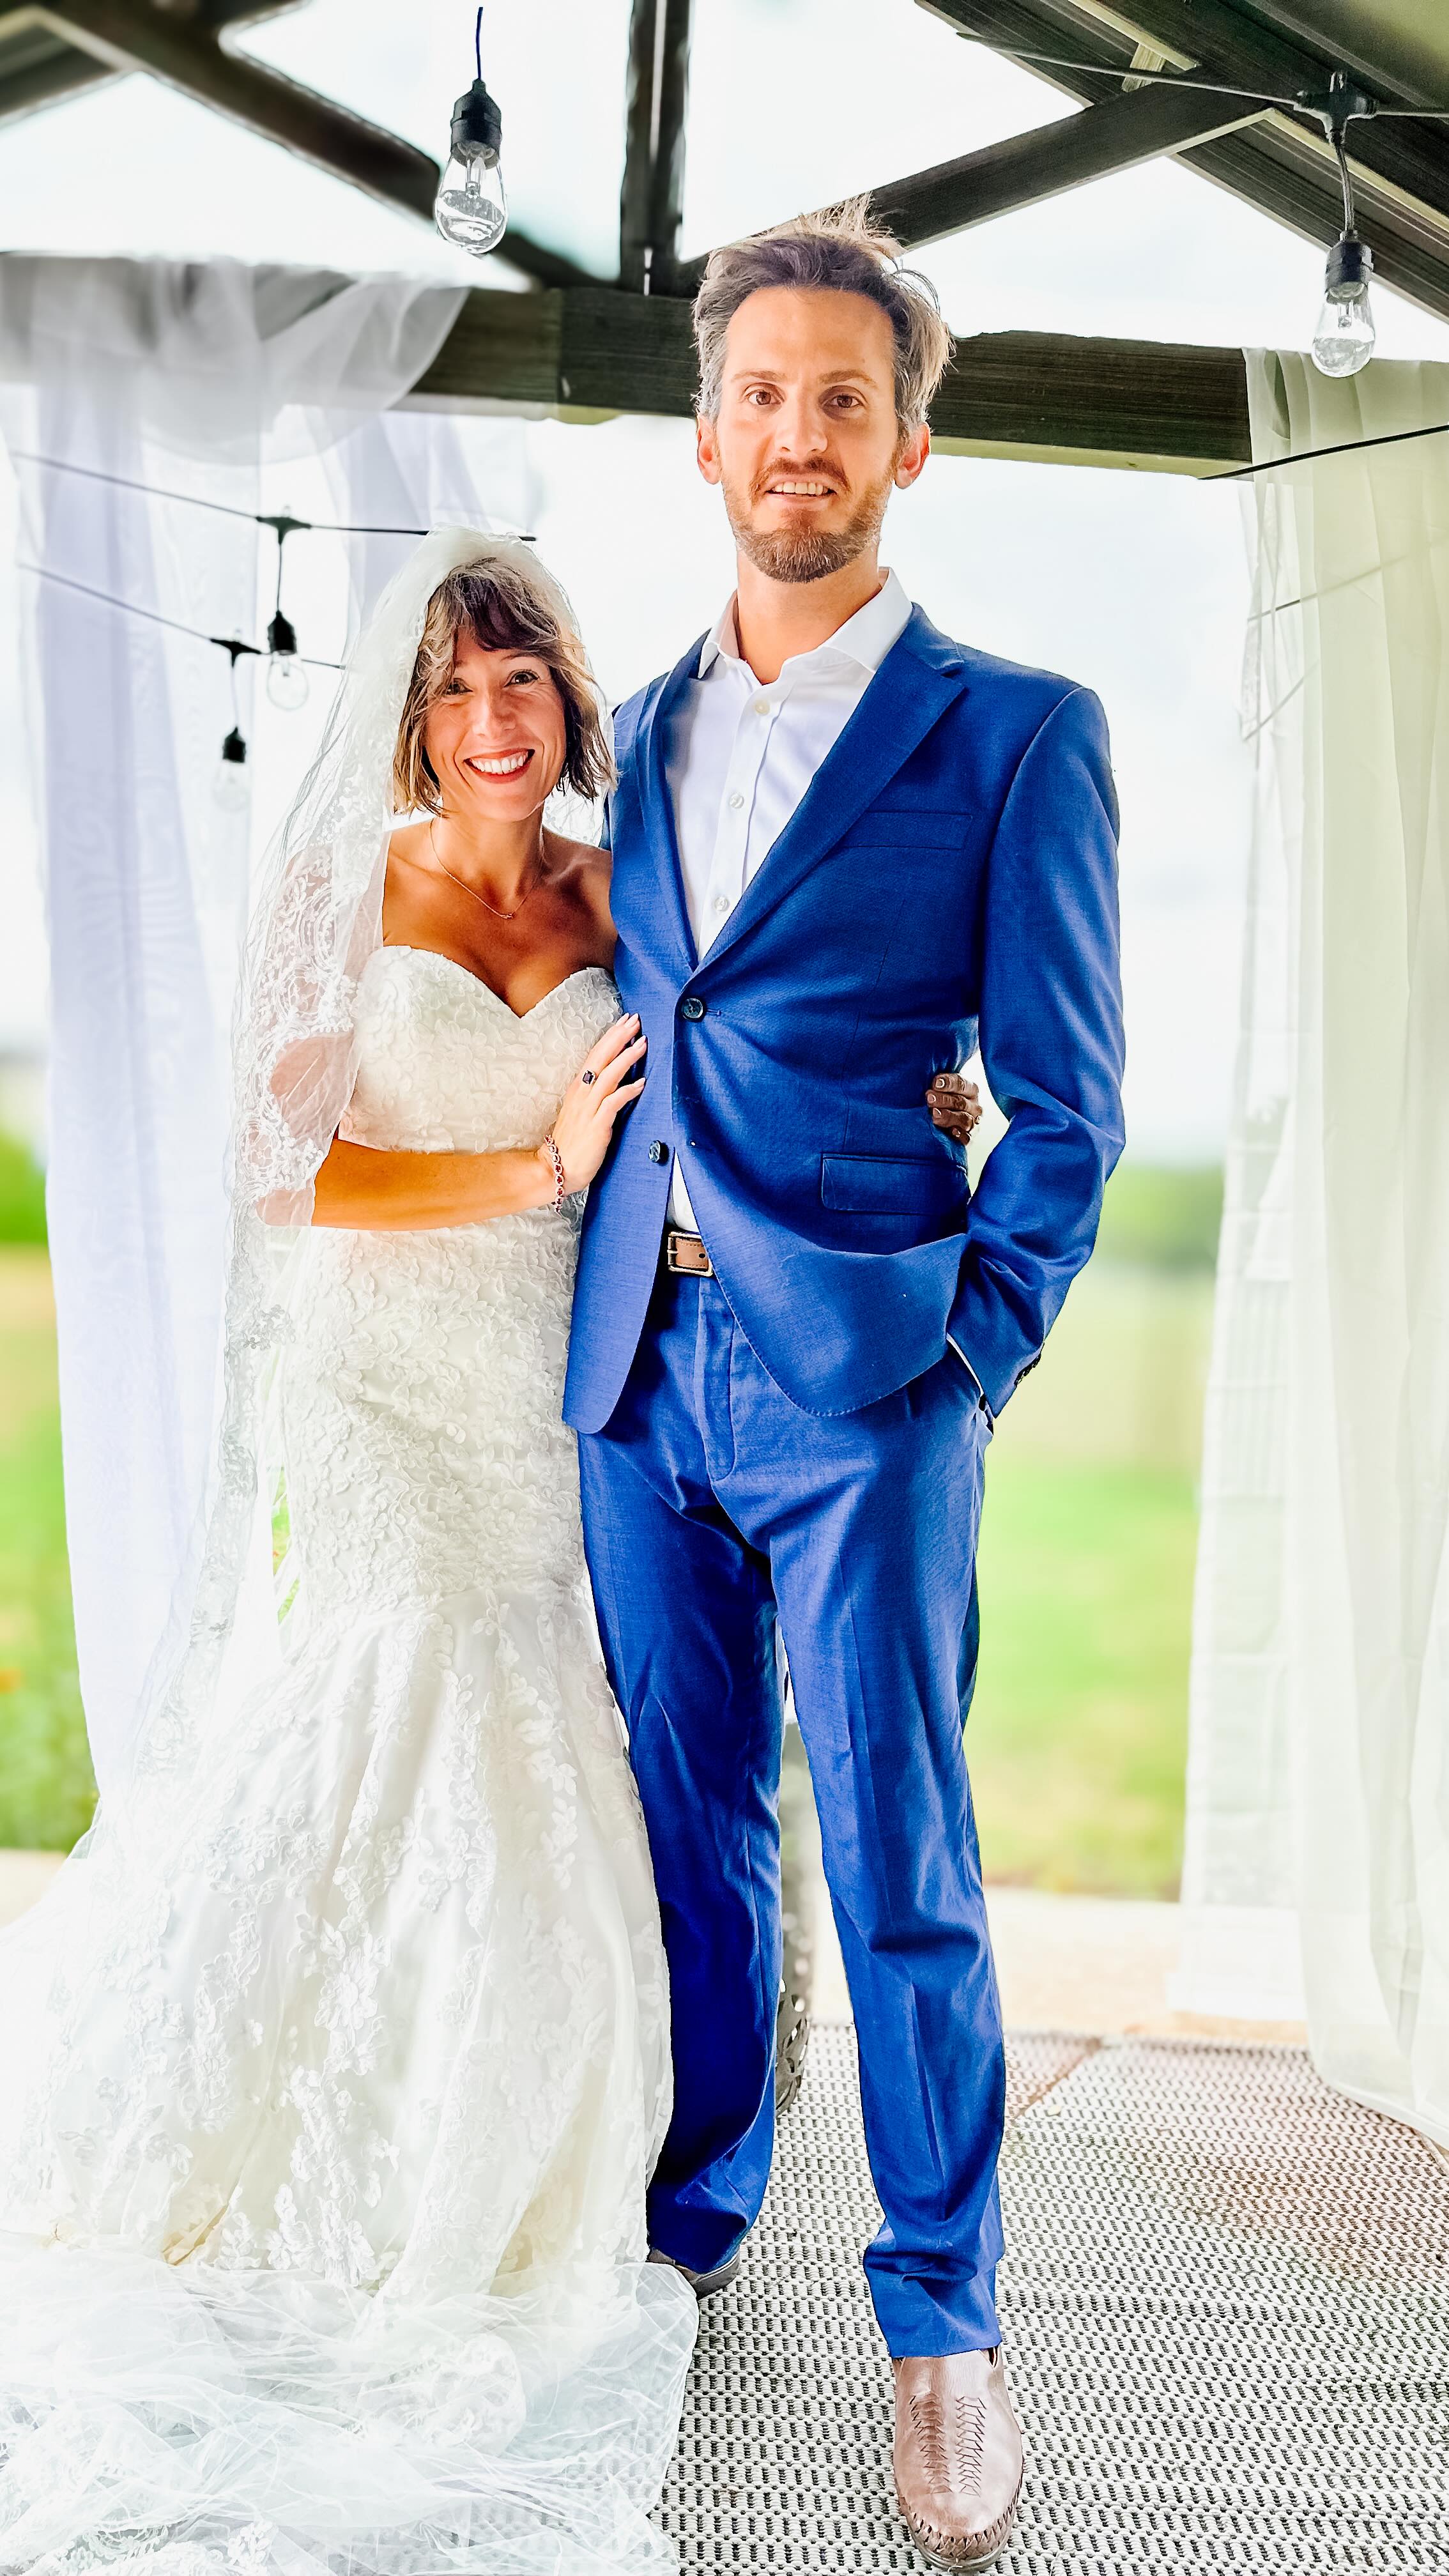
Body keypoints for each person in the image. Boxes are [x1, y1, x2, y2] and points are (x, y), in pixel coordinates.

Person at [0, 532, 698, 2576]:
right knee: (393, 1692)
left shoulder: (615, 903)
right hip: (379, 1370)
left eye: (523, 687)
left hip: (536, 1389)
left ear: (570, 706)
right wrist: (524, 1162)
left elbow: (683, 1123)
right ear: (415, 720)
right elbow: (281, 1166)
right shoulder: (349, 884)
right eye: (456, 694)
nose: (492, 726)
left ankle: (506, 2149)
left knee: (525, 1736)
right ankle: (281, 2140)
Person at [567, 204, 1125, 2571]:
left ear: (912, 439)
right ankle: (695, 2238)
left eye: (843, 398)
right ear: (707, 434)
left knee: (897, 1864)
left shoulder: (1015, 734)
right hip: (634, 1367)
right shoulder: (628, 740)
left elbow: (1071, 1110)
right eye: (762, 394)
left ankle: (941, 2328)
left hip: (866, 1392)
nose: (799, 434)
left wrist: (962, 1368)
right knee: (686, 1839)